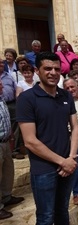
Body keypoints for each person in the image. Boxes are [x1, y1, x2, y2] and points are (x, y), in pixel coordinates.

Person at [16, 52, 78, 225]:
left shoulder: (66, 96)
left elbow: (75, 128)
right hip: (44, 169)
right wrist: (62, 161)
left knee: (62, 212)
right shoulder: (27, 99)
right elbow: (30, 140)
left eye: (57, 69)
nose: (53, 72)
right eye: (48, 68)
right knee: (45, 216)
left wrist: (71, 157)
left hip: (67, 164)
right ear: (37, 70)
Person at [0, 79, 24, 220]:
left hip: (5, 140)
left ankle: (6, 196)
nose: (2, 86)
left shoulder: (2, 99)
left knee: (8, 170)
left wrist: (10, 137)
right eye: (0, 85)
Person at [63, 78, 78, 206]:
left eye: (72, 87)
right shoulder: (64, 103)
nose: (71, 90)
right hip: (73, 137)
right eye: (67, 88)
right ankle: (77, 192)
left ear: (77, 86)